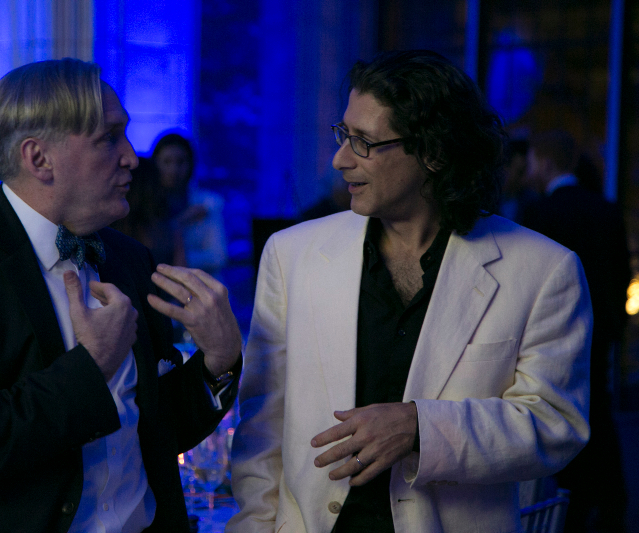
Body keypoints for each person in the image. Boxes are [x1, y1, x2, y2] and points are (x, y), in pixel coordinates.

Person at [228, 50, 591, 533]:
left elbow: (555, 424)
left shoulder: (544, 269)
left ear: (434, 153)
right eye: (343, 134)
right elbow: (261, 427)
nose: (339, 160)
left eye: (363, 142)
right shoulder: (290, 254)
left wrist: (420, 428)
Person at [0, 58, 244, 533]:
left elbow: (154, 430)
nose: (132, 157)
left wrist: (218, 361)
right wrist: (91, 367)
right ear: (38, 159)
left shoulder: (128, 258)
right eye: (109, 138)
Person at [522, 130, 630, 533]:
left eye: (532, 161)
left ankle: (574, 501)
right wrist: (616, 326)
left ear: (545, 162)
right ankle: (608, 502)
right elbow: (621, 274)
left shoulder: (539, 214)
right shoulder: (606, 208)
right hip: (600, 331)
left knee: (559, 407)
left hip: (554, 330)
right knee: (597, 408)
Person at [151, 133, 228, 276]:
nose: (174, 170)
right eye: (166, 162)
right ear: (155, 164)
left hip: (202, 285)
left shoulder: (207, 203)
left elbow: (218, 257)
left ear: (191, 164)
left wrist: (176, 261)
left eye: (180, 162)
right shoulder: (146, 204)